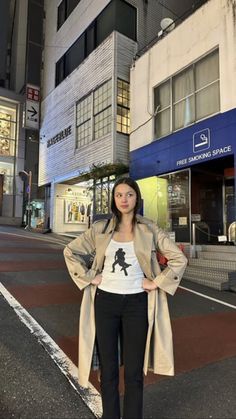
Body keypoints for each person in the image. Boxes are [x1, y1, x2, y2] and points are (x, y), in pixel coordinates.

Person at [64, 177, 187, 419]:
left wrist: (156, 282)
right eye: (119, 194)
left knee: (134, 372)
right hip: (105, 302)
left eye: (129, 194)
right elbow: (70, 251)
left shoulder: (149, 228)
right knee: (108, 371)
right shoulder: (101, 229)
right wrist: (90, 276)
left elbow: (178, 259)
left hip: (137, 304)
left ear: (136, 198)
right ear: (113, 199)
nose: (123, 199)